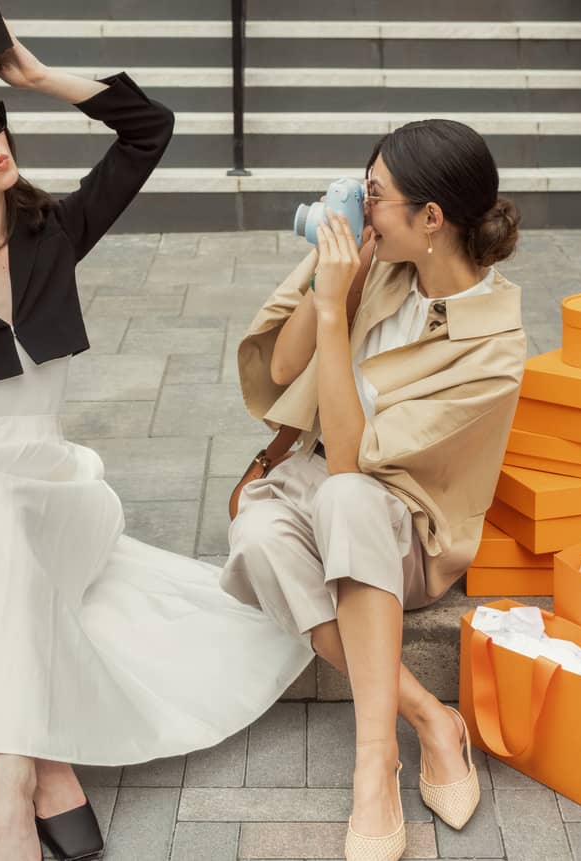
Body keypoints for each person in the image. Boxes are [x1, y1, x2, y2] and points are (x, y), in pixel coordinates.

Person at [0, 23, 312, 861]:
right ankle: (32, 772)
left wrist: (38, 77)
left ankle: (15, 777)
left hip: (51, 477)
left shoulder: (55, 229)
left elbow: (150, 129)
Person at [222, 120, 528, 861]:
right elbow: (286, 367)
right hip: (319, 479)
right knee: (258, 538)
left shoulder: (495, 348)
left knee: (346, 498)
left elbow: (357, 464)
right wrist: (334, 288)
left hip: (405, 533)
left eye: (375, 196)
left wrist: (336, 311)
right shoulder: (376, 258)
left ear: (432, 219)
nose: (362, 206)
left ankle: (373, 766)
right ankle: (426, 715)